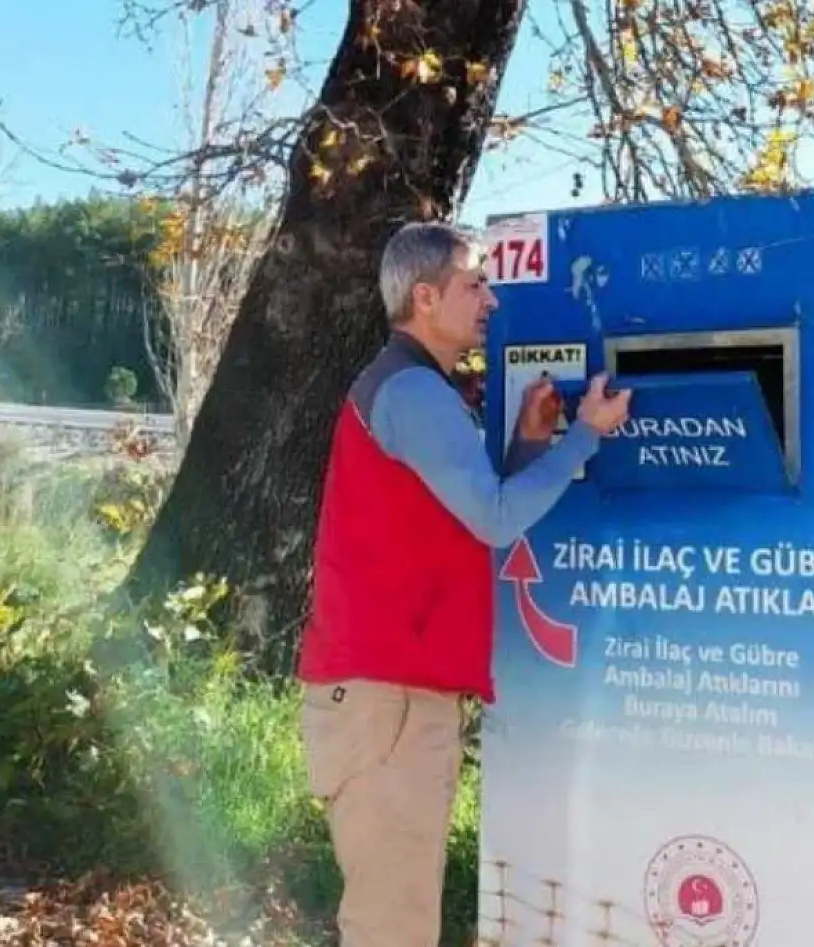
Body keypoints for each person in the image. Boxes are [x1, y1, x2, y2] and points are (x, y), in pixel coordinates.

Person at [295, 220, 631, 947]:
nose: (492, 300)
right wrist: (585, 436)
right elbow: (496, 516)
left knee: (399, 916)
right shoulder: (414, 392)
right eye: (476, 283)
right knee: (392, 926)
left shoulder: (417, 388)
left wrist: (528, 444)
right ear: (424, 296)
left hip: (393, 697)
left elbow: (464, 506)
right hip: (388, 703)